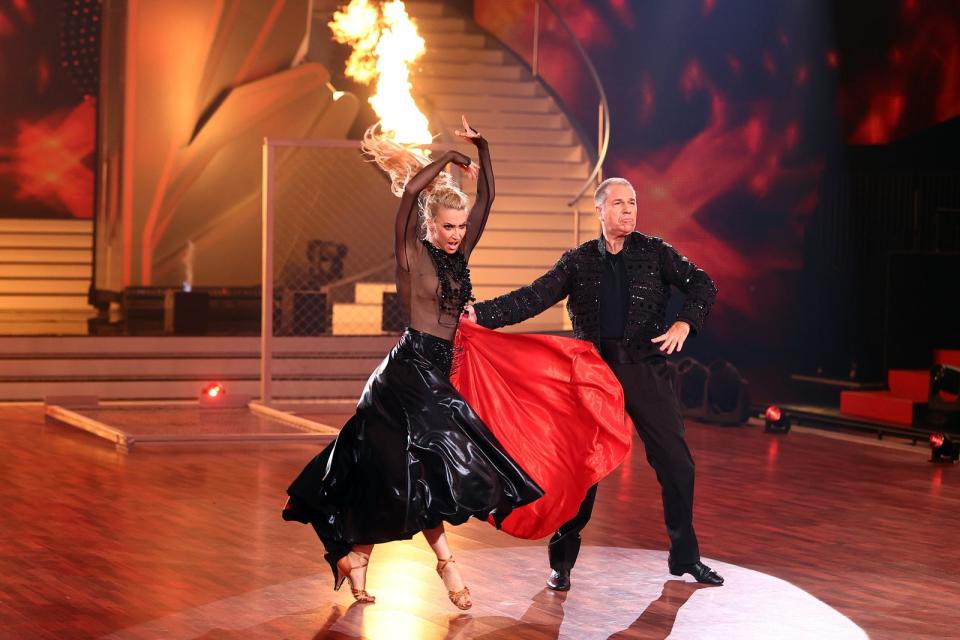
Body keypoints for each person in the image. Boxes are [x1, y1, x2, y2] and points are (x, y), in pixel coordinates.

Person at [282, 116, 543, 610]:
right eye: (448, 226)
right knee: (441, 462)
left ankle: (355, 559)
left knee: (401, 477)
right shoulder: (410, 253)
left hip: (437, 371)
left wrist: (483, 147)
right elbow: (407, 201)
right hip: (407, 374)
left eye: (461, 228)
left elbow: (487, 198)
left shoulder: (458, 254)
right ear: (430, 224)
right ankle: (448, 571)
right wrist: (443, 158)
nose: (456, 234)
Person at [464, 177, 725, 589]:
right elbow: (533, 297)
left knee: (677, 465)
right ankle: (562, 562)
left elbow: (702, 284)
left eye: (633, 202)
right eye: (619, 203)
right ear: (600, 211)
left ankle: (684, 557)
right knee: (582, 470)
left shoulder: (656, 253)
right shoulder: (579, 260)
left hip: (645, 369)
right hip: (593, 376)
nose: (629, 210)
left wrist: (685, 321)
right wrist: (481, 314)